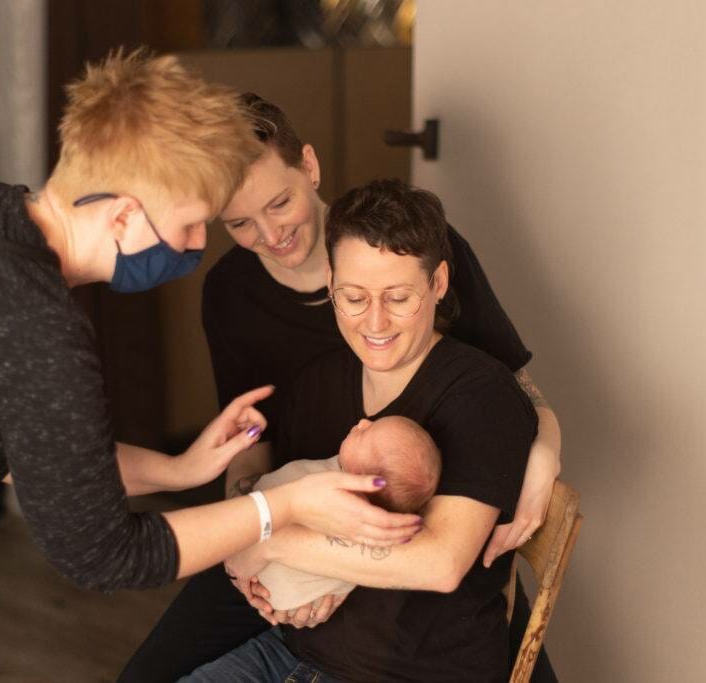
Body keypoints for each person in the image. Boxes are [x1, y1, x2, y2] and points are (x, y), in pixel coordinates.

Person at [0, 52, 422, 682]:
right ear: (125, 215)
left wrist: (180, 468)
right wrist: (280, 506)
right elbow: (105, 553)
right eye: (191, 224)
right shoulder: (38, 326)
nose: (196, 245)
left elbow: (23, 453)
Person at [120, 95, 561, 682]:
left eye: (280, 203)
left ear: (309, 165)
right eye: (241, 222)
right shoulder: (234, 297)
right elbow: (251, 433)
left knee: (472, 619)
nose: (272, 233)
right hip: (289, 510)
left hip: (422, 541)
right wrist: (255, 547)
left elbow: (508, 391)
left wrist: (545, 448)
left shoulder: (419, 251)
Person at [184, 178, 539, 682]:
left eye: (398, 297)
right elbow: (275, 495)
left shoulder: (481, 395)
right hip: (291, 654)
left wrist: (266, 544)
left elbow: (439, 563)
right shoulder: (317, 383)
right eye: (353, 297)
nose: (374, 322)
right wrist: (266, 589)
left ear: (438, 283)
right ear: (330, 283)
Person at [253, 415, 442, 611]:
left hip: (272, 579)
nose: (363, 422)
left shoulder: (329, 489)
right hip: (278, 595)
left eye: (364, 433)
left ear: (360, 477)